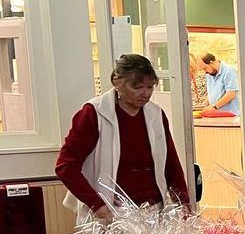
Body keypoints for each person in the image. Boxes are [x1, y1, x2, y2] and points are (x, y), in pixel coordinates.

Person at [56, 53, 189, 219]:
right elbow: (66, 166)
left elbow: (171, 164)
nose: (145, 94)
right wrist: (97, 205)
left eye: (150, 87)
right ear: (117, 82)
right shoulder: (93, 113)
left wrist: (184, 204)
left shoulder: (155, 114)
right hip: (109, 213)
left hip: (153, 211)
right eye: (137, 87)